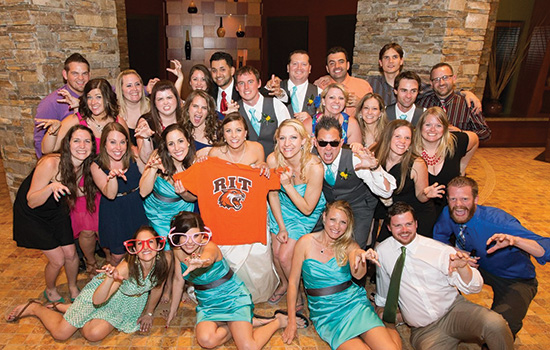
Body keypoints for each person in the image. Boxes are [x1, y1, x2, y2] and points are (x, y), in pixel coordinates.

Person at [376, 202, 514, 350]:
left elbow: (475, 288)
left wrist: (463, 268)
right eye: (398, 225)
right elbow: (384, 285)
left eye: (408, 224)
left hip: (454, 310)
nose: (404, 230)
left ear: (416, 224)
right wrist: (382, 308)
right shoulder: (383, 252)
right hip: (424, 329)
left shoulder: (438, 250)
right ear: (389, 228)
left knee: (495, 323)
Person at [176, 113, 280, 302]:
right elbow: (203, 187)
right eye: (228, 131)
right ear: (222, 134)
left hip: (250, 213)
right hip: (223, 219)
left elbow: (260, 175)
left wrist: (264, 166)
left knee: (257, 260)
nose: (234, 135)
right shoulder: (214, 154)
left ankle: (256, 293)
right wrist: (198, 171)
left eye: (238, 130)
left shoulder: (257, 149)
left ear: (246, 132)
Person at [165, 211, 307, 348]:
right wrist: (173, 310)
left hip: (233, 297)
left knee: (248, 347)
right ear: (177, 236)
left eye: (195, 236)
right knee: (206, 340)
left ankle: (278, 321)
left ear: (202, 235)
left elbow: (207, 258)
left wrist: (200, 262)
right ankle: (245, 323)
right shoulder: (178, 251)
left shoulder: (210, 247)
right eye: (185, 236)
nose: (190, 242)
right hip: (208, 304)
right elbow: (178, 280)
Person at [433, 176, 550, 337]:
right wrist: (455, 251)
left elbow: (546, 248)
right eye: (453, 199)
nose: (458, 205)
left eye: (465, 199)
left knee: (499, 330)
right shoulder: (449, 212)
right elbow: (439, 240)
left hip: (514, 279)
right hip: (480, 267)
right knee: (436, 270)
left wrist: (516, 241)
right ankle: (448, 319)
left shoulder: (498, 222)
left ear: (476, 200)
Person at [6, 226, 170, 341]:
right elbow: (97, 301)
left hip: (126, 304)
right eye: (140, 244)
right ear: (134, 248)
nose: (145, 247)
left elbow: (157, 287)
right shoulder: (126, 267)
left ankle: (66, 308)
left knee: (93, 334)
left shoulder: (165, 260)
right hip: (102, 295)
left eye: (150, 242)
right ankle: (36, 307)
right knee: (61, 334)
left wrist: (148, 313)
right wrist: (111, 278)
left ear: (158, 244)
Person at [283, 200, 401, 350]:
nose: (337, 227)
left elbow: (358, 275)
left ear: (348, 225)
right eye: (333, 219)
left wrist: (361, 257)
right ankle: (386, 328)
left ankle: (390, 329)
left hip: (354, 305)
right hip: (326, 314)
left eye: (343, 222)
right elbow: (293, 283)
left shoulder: (350, 245)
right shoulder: (305, 243)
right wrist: (291, 321)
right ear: (324, 217)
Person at [12, 125, 97, 303]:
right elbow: (32, 201)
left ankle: (73, 287)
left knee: (71, 253)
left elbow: (76, 191)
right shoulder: (51, 163)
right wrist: (51, 187)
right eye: (76, 140)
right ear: (67, 144)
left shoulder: (83, 165)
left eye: (87, 141)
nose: (82, 145)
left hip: (56, 208)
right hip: (33, 213)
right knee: (57, 259)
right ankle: (50, 290)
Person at [267, 119, 326, 306]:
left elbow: (307, 208)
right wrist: (281, 227)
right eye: (282, 138)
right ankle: (284, 283)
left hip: (304, 212)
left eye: (293, 137)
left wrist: (288, 185)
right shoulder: (273, 160)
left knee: (285, 256)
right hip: (281, 207)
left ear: (303, 141)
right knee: (275, 252)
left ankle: (298, 290)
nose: (287, 143)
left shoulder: (314, 167)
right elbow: (273, 195)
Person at [313, 117, 395, 250]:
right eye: (323, 143)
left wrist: (375, 168)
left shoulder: (355, 158)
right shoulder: (312, 158)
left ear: (341, 142)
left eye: (333, 143)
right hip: (330, 208)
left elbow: (386, 192)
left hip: (359, 207)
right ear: (315, 142)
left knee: (354, 250)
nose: (328, 149)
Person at [140, 124, 197, 302]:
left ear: (188, 142)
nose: (177, 147)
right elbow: (143, 191)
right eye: (171, 144)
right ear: (165, 146)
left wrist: (183, 193)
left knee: (179, 252)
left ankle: (175, 286)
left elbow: (193, 198)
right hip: (158, 212)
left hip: (182, 210)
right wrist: (153, 169)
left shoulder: (194, 163)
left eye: (180, 141)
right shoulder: (158, 158)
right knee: (165, 254)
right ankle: (162, 287)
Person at [374, 120, 443, 241]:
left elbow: (421, 196)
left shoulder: (416, 163)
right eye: (398, 136)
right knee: (380, 251)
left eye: (407, 138)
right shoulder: (377, 158)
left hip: (417, 217)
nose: (402, 141)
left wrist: (427, 194)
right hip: (394, 217)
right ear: (388, 137)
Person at [91, 123, 148, 265]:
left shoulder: (134, 155)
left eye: (122, 142)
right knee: (117, 256)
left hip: (137, 205)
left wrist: (146, 140)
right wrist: (112, 178)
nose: (118, 147)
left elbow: (146, 169)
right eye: (112, 142)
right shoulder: (97, 165)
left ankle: (139, 283)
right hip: (114, 211)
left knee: (141, 249)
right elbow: (110, 194)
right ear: (104, 143)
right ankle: (116, 284)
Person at [413, 107, 479, 216]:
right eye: (428, 125)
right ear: (420, 127)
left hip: (449, 213)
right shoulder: (411, 149)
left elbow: (475, 139)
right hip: (420, 213)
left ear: (445, 128)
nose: (432, 130)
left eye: (438, 126)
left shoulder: (455, 143)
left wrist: (462, 166)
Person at [39, 78, 128, 155]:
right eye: (89, 97)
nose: (93, 102)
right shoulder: (75, 120)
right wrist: (53, 131)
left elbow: (128, 151)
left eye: (98, 97)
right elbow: (46, 150)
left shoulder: (118, 122)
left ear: (108, 99)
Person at [34, 53, 90, 158]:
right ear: (65, 74)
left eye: (84, 73)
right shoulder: (51, 103)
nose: (81, 78)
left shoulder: (94, 98)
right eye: (75, 73)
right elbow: (40, 144)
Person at [417, 63, 491, 141]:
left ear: (454, 78)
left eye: (445, 77)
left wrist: (462, 134)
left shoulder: (467, 104)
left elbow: (485, 133)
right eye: (436, 79)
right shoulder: (423, 103)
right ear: (431, 83)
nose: (441, 83)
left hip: (457, 151)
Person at [235, 65, 291, 156]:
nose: (246, 87)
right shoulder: (234, 111)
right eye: (241, 83)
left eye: (250, 82)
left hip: (275, 162)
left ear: (259, 83)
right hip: (247, 165)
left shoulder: (276, 105)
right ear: (237, 87)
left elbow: (290, 135)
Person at [314, 46, 373, 117]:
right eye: (332, 63)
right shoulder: (320, 87)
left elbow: (375, 112)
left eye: (341, 62)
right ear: (327, 69)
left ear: (348, 65)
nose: (337, 66)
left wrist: (361, 104)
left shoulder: (363, 86)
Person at [135, 80, 184, 163]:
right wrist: (146, 138)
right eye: (160, 99)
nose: (165, 102)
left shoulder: (186, 119)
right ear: (154, 103)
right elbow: (146, 160)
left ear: (177, 98)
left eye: (169, 97)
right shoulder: (146, 122)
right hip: (159, 172)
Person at [280, 50, 321, 120]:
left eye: (304, 64)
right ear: (288, 68)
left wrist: (311, 120)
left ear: (309, 69)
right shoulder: (275, 89)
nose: (299, 68)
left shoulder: (320, 92)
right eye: (295, 64)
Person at [115, 69, 151, 146]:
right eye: (129, 85)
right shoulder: (114, 114)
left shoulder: (153, 109)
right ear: (121, 89)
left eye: (137, 84)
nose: (134, 89)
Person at [182, 90, 220, 156]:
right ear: (188, 108)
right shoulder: (181, 134)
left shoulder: (219, 130)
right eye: (195, 106)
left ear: (208, 112)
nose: (199, 111)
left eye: (204, 108)